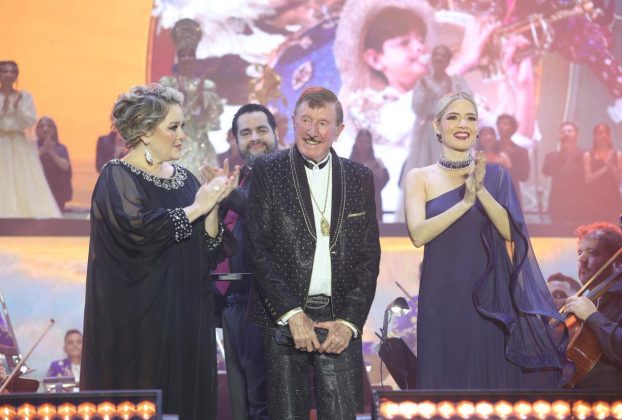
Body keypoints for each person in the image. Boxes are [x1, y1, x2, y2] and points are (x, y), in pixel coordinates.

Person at [81, 85, 238, 420]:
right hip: (141, 325)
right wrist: (196, 208)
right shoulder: (116, 176)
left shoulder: (186, 179)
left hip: (188, 318)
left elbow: (209, 250)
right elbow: (139, 232)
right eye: (173, 127)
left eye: (183, 126)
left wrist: (213, 202)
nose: (182, 135)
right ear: (145, 132)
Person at [404, 91, 570, 389]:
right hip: (442, 294)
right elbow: (418, 234)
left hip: (489, 298)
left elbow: (511, 233)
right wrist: (465, 203)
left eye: (470, 118)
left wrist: (480, 191)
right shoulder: (420, 177)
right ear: (437, 126)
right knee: (445, 380)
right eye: (453, 117)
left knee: (489, 385)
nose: (462, 124)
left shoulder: (496, 176)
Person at [247, 87, 380, 418]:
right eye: (306, 120)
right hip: (283, 317)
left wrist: (349, 322)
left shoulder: (359, 177)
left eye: (322, 123)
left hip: (339, 318)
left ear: (339, 130)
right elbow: (257, 249)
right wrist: (292, 314)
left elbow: (368, 256)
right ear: (293, 121)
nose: (312, 131)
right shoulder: (267, 170)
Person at [213, 104, 277, 420]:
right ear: (235, 140)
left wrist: (227, 194)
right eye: (246, 133)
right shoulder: (241, 179)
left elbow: (264, 215)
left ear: (276, 133)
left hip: (264, 303)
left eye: (261, 130)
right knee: (242, 405)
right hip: (233, 303)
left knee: (262, 402)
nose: (255, 138)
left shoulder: (286, 174)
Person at [160, 18, 224, 176]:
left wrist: (202, 102)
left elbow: (211, 121)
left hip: (201, 148)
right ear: (178, 58)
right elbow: (162, 118)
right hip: (174, 146)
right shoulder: (168, 84)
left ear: (195, 57)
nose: (187, 58)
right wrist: (181, 102)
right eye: (183, 55)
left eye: (190, 54)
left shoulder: (207, 86)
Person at [564, 222, 622, 389]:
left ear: (618, 262)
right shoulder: (588, 300)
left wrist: (592, 317)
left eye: (593, 253)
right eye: (580, 252)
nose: (581, 259)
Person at [0, 61, 60, 218]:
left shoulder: (24, 96)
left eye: (12, 72)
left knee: (22, 178)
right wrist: (4, 109)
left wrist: (17, 108)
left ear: (16, 75)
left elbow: (30, 120)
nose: (8, 74)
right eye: (4, 71)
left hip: (18, 142)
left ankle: (21, 214)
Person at [543, 122, 587, 224]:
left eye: (569, 131)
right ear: (559, 136)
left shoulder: (584, 155)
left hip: (580, 204)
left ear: (576, 134)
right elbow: (546, 171)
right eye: (563, 132)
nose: (566, 134)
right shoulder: (552, 156)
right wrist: (561, 155)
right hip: (558, 204)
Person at [583, 123, 622, 223]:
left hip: (613, 199)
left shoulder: (617, 154)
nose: (603, 135)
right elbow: (588, 179)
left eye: (606, 132)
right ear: (594, 136)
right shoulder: (588, 154)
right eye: (599, 133)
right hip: (594, 199)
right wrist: (605, 167)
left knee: (614, 228)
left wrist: (611, 165)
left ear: (609, 135)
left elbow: (619, 179)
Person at [349, 129, 390, 223]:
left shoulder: (377, 162)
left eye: (366, 141)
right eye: (360, 140)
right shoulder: (349, 163)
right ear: (356, 142)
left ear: (370, 144)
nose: (363, 144)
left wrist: (373, 170)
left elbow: (385, 178)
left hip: (373, 204)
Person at [36, 117, 72, 211]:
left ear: (54, 130)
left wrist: (51, 152)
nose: (45, 129)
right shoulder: (32, 147)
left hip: (57, 192)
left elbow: (65, 166)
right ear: (37, 130)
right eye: (42, 126)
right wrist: (44, 149)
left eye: (49, 126)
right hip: (37, 191)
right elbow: (28, 163)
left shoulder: (61, 148)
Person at [496, 114, 530, 202]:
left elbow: (524, 176)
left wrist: (510, 166)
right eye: (499, 124)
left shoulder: (521, 151)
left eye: (505, 124)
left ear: (512, 128)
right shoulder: (490, 148)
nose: (501, 127)